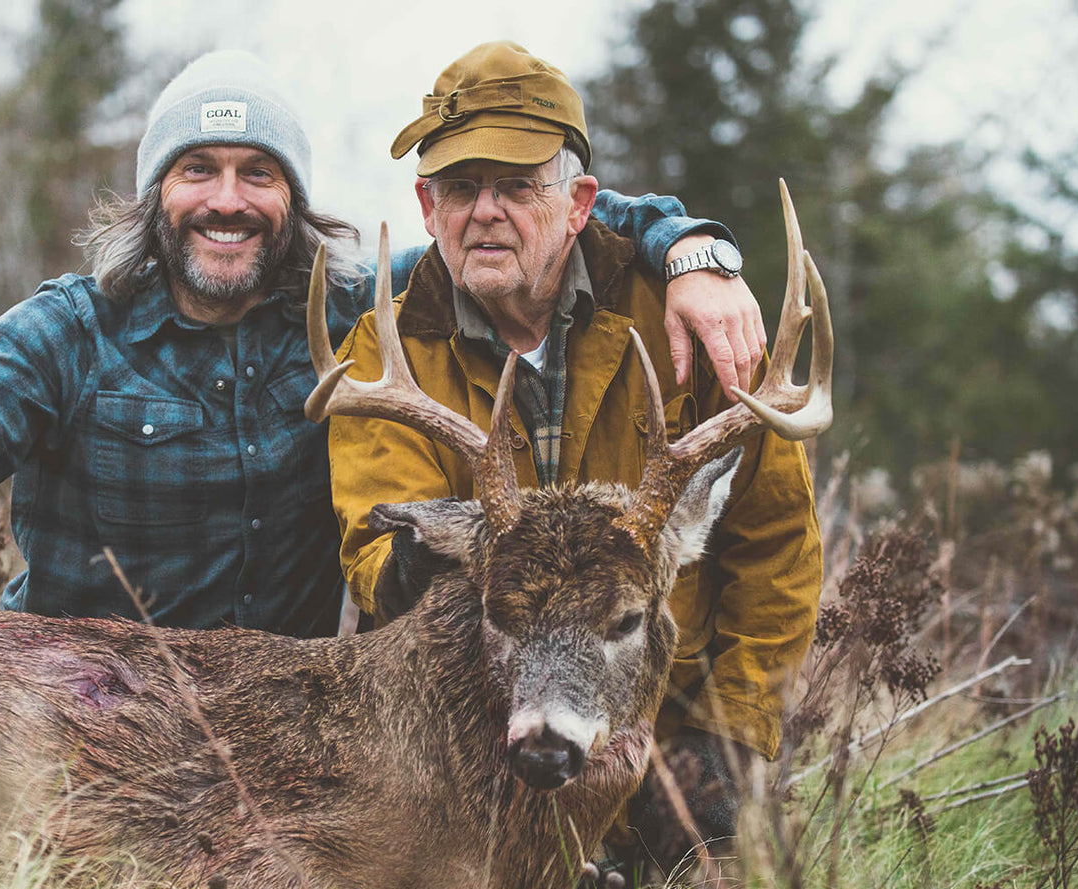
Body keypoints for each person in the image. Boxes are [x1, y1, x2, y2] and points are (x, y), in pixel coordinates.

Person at [0, 49, 766, 641]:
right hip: (81, 698)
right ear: (157, 197)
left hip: (276, 720)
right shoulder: (72, 330)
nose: (227, 199)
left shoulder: (349, 312)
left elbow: (515, 224)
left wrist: (688, 245)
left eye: (258, 174)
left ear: (292, 202)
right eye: (199, 170)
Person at [327, 41, 821, 877]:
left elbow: (776, 546)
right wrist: (418, 553)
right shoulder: (386, 352)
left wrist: (727, 739)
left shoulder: (686, 317)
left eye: (518, 185)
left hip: (668, 741)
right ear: (425, 205)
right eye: (459, 188)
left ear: (580, 202)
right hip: (485, 757)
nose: (485, 211)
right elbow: (376, 551)